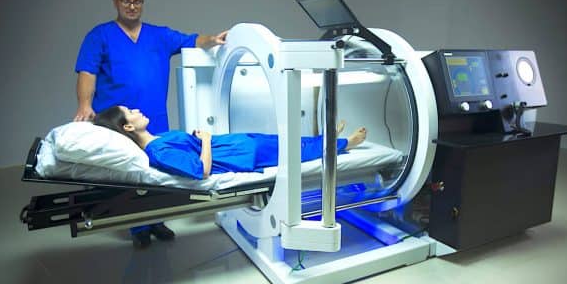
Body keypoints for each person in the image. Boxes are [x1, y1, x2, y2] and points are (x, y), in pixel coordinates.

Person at [73, 0, 228, 248]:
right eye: (126, 1)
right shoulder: (100, 36)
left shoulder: (159, 36)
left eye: (137, 2)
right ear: (115, 2)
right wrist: (85, 105)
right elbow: (87, 71)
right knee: (129, 172)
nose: (132, 6)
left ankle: (157, 220)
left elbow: (192, 40)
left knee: (158, 171)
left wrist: (212, 40)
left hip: (153, 117)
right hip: (119, 121)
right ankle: (138, 226)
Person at [93, 105, 367, 180]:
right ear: (128, 127)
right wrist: (206, 140)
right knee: (297, 151)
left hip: (238, 144)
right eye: (130, 112)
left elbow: (189, 149)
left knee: (291, 141)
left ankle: (327, 139)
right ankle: (345, 144)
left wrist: (198, 138)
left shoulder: (159, 138)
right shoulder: (157, 152)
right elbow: (201, 171)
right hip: (239, 156)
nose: (137, 110)